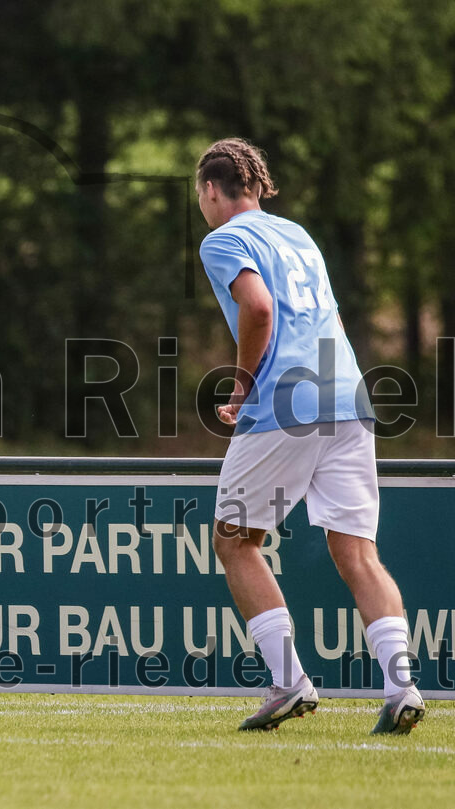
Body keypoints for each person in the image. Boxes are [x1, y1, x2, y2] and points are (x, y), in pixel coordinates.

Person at [195, 138, 424, 734]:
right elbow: (332, 319)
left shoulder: (223, 240)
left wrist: (242, 385)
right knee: (358, 553)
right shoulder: (298, 235)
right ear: (256, 187)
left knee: (234, 541)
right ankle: (402, 687)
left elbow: (258, 309)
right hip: (347, 397)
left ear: (211, 190)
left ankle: (289, 681)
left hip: (286, 402)